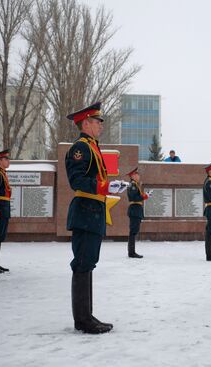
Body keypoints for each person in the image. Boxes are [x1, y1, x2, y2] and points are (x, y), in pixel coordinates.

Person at [65, 102, 126, 334]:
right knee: (82, 264)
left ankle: (87, 315)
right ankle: (82, 320)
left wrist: (109, 187)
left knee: (87, 264)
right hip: (85, 211)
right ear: (86, 123)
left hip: (92, 212)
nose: (101, 126)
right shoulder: (81, 148)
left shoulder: (91, 146)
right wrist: (106, 185)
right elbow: (77, 181)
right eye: (98, 122)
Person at [126, 167, 150, 258]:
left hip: (136, 209)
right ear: (133, 176)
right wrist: (145, 196)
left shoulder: (135, 184)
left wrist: (145, 196)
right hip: (135, 209)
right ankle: (131, 253)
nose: (138, 176)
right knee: (133, 232)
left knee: (134, 231)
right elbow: (134, 198)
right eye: (137, 174)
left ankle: (131, 252)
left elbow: (137, 196)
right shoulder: (132, 185)